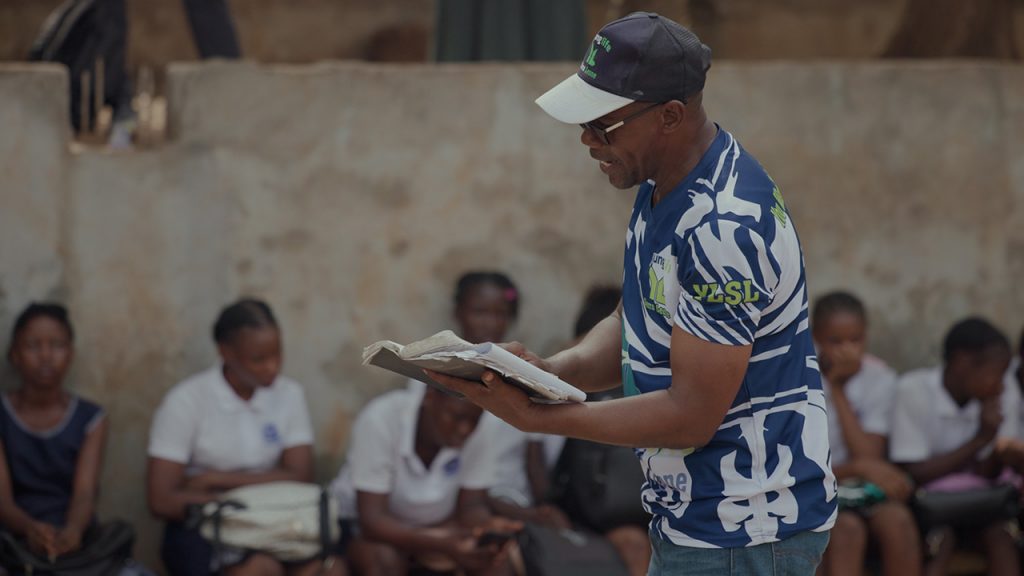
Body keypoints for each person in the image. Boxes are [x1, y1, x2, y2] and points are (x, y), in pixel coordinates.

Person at [428, 12, 836, 576]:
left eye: (604, 124)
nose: (587, 138)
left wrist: (544, 419)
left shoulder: (722, 229)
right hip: (695, 520)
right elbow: (635, 319)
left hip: (746, 530)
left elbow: (692, 415)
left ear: (670, 116)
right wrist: (553, 373)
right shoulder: (662, 186)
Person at [146, 299, 346, 576]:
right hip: (209, 527)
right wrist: (236, 502)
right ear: (225, 353)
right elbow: (161, 499)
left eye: (277, 354)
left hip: (278, 520)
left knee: (331, 569)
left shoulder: (288, 395)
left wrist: (216, 481)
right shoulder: (186, 402)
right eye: (258, 359)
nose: (272, 367)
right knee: (261, 569)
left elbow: (301, 475)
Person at [0, 303, 140, 574]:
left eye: (57, 345)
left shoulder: (91, 418)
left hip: (74, 536)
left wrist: (73, 531)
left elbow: (85, 493)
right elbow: (2, 500)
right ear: (14, 355)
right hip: (12, 537)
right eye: (32, 346)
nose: (45, 356)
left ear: (71, 353)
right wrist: (30, 528)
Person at [330, 380, 518, 576]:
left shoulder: (480, 429)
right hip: (367, 530)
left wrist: (486, 526)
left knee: (495, 563)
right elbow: (372, 521)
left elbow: (471, 505)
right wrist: (440, 542)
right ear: (429, 396)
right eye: (456, 417)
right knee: (383, 561)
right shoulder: (382, 418)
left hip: (440, 529)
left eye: (474, 421)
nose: (465, 429)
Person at [889, 317, 1020, 576]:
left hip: (982, 504)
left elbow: (987, 474)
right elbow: (913, 471)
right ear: (962, 363)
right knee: (940, 540)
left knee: (1002, 537)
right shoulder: (913, 390)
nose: (1002, 384)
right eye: (996, 373)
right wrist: (981, 439)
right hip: (930, 508)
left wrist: (994, 443)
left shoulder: (1003, 395)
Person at [810, 292, 920, 576]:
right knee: (847, 530)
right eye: (835, 341)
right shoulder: (800, 374)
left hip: (864, 487)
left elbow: (869, 454)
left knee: (898, 522)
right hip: (818, 486)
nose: (847, 350)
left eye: (855, 340)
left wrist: (839, 389)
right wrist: (858, 468)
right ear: (816, 338)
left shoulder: (880, 378)